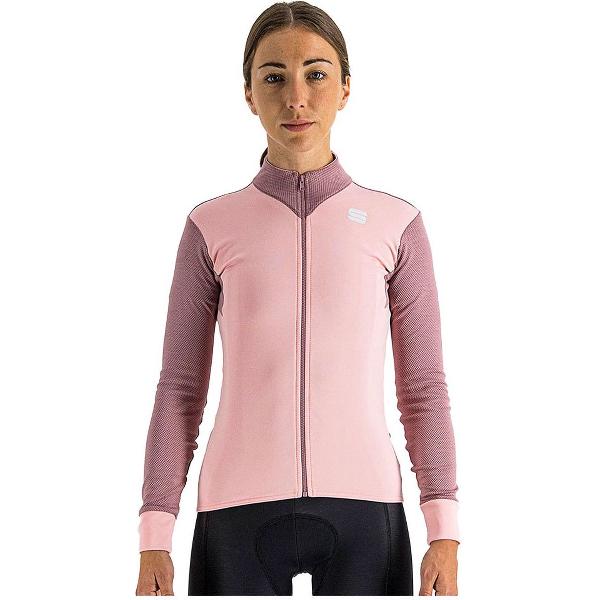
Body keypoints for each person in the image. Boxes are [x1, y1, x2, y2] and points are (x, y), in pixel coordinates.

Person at [135, 1, 460, 596]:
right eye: (274, 77)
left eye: (315, 74)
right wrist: (156, 533)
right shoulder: (210, 226)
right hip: (236, 510)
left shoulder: (396, 224)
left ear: (346, 88)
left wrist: (444, 527)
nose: (296, 98)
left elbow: (423, 388)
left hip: (365, 509)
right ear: (248, 94)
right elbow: (179, 390)